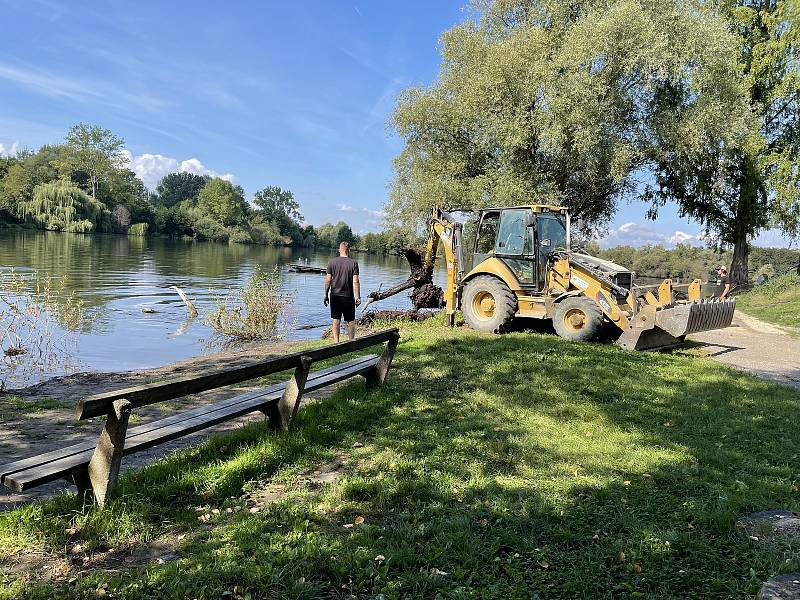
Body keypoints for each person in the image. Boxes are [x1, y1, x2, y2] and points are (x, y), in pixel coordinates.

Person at [324, 241, 361, 342]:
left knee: (336, 319)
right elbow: (356, 282)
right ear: (349, 250)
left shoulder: (331, 262)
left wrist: (326, 295)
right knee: (351, 320)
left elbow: (328, 280)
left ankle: (336, 342)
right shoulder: (354, 263)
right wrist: (358, 297)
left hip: (335, 295)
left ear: (339, 250)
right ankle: (351, 342)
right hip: (348, 296)